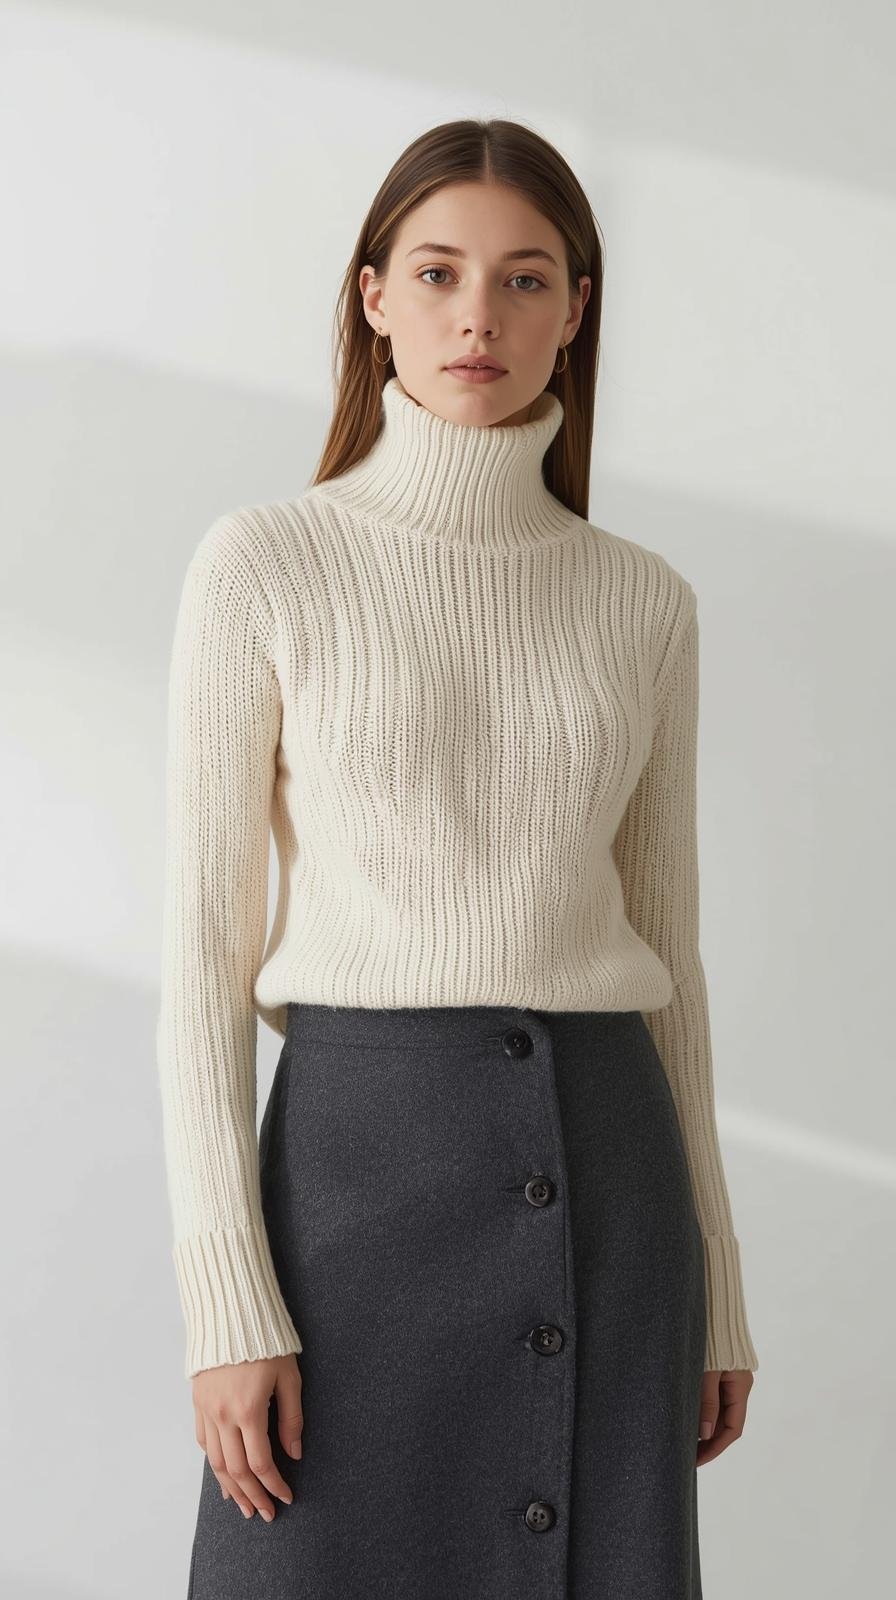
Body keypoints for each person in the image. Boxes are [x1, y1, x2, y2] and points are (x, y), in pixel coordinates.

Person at [156, 118, 758, 1600]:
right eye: (436, 274)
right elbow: (199, 964)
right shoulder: (266, 565)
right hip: (353, 1193)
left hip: (610, 1186)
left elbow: (673, 966)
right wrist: (227, 1306)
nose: (477, 316)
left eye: (523, 278)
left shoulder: (645, 603)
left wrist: (720, 1288)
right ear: (374, 298)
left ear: (577, 308)